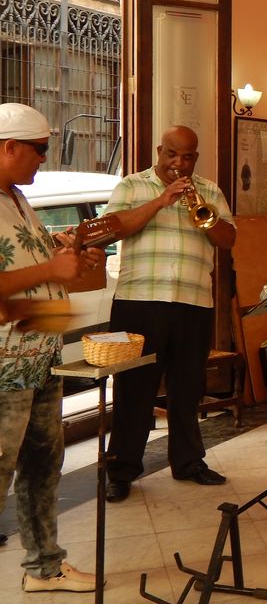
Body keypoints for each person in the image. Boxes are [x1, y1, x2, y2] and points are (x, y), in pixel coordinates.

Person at [0, 103, 104, 592]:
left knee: (43, 465)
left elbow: (30, 270)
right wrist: (49, 268)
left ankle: (44, 567)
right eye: (39, 149)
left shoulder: (17, 198)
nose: (45, 158)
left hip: (39, 354)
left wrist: (67, 255)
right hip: (4, 366)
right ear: (9, 147)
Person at [104, 126, 236, 503]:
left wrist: (205, 216)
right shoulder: (131, 186)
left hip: (193, 302)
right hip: (139, 301)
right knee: (133, 389)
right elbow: (113, 229)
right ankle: (121, 470)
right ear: (160, 151)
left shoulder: (209, 190)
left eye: (188, 157)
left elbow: (228, 239)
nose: (179, 163)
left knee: (188, 387)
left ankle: (189, 462)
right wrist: (162, 201)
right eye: (172, 155)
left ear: (196, 158)